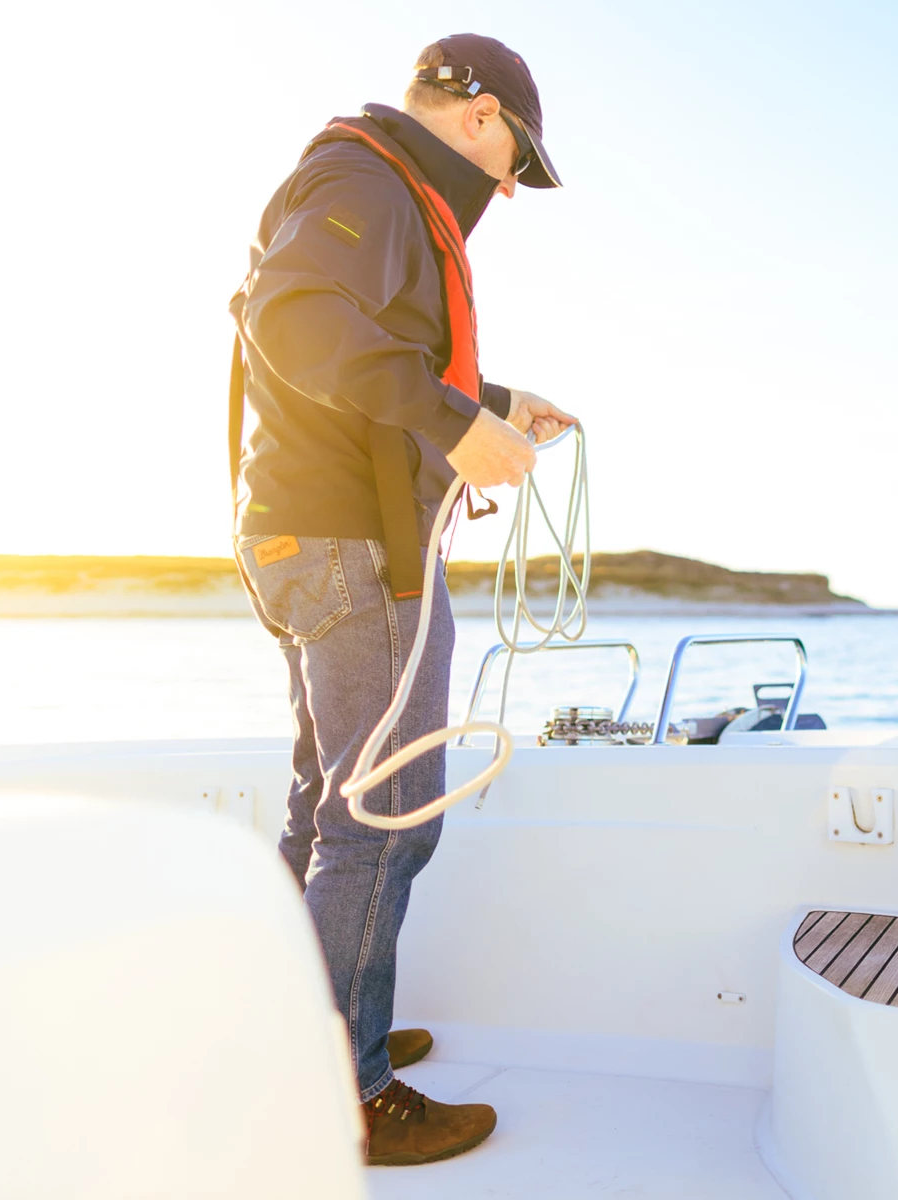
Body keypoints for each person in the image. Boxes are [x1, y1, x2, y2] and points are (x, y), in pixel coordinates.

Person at [228, 34, 575, 1166]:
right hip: (351, 549)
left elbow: (377, 347)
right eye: (518, 158)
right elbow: (295, 325)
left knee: (324, 807)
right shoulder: (366, 180)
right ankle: (348, 1088)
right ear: (476, 117)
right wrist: (456, 425)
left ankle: (302, 1033)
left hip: (312, 535)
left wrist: (499, 402)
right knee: (384, 816)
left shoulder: (369, 182)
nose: (512, 188)